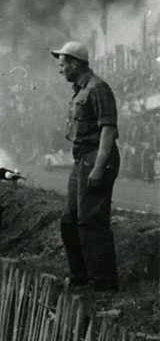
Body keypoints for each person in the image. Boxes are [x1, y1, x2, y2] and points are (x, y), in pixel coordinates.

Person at [52, 41, 120, 291]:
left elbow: (109, 130)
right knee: (70, 219)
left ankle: (103, 282)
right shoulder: (80, 90)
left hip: (96, 157)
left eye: (62, 65)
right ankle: (80, 274)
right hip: (82, 157)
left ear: (75, 63)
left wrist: (99, 166)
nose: (60, 70)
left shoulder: (98, 88)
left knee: (91, 220)